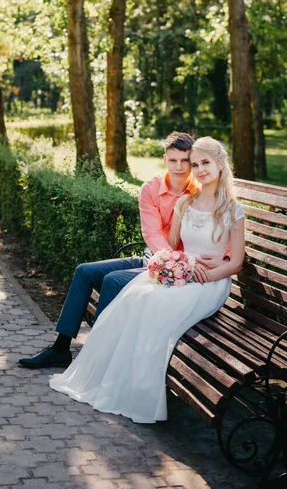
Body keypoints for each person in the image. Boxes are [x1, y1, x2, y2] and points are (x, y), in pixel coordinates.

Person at [49, 137, 245, 423]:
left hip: (210, 283)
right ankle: (102, 369)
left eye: (204, 163)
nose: (198, 169)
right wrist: (179, 266)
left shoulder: (232, 209)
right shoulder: (184, 202)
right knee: (133, 296)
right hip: (181, 270)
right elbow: (172, 244)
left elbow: (236, 261)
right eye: (195, 164)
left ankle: (140, 388)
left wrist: (212, 270)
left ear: (220, 164)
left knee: (148, 304)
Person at [19, 131, 201, 370]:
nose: (179, 166)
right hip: (154, 259)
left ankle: (95, 355)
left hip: (172, 270)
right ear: (165, 159)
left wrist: (173, 265)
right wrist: (168, 259)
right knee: (84, 271)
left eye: (185, 160)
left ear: (192, 161)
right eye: (173, 160)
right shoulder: (151, 188)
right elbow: (151, 233)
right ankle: (61, 349)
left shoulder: (198, 193)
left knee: (112, 280)